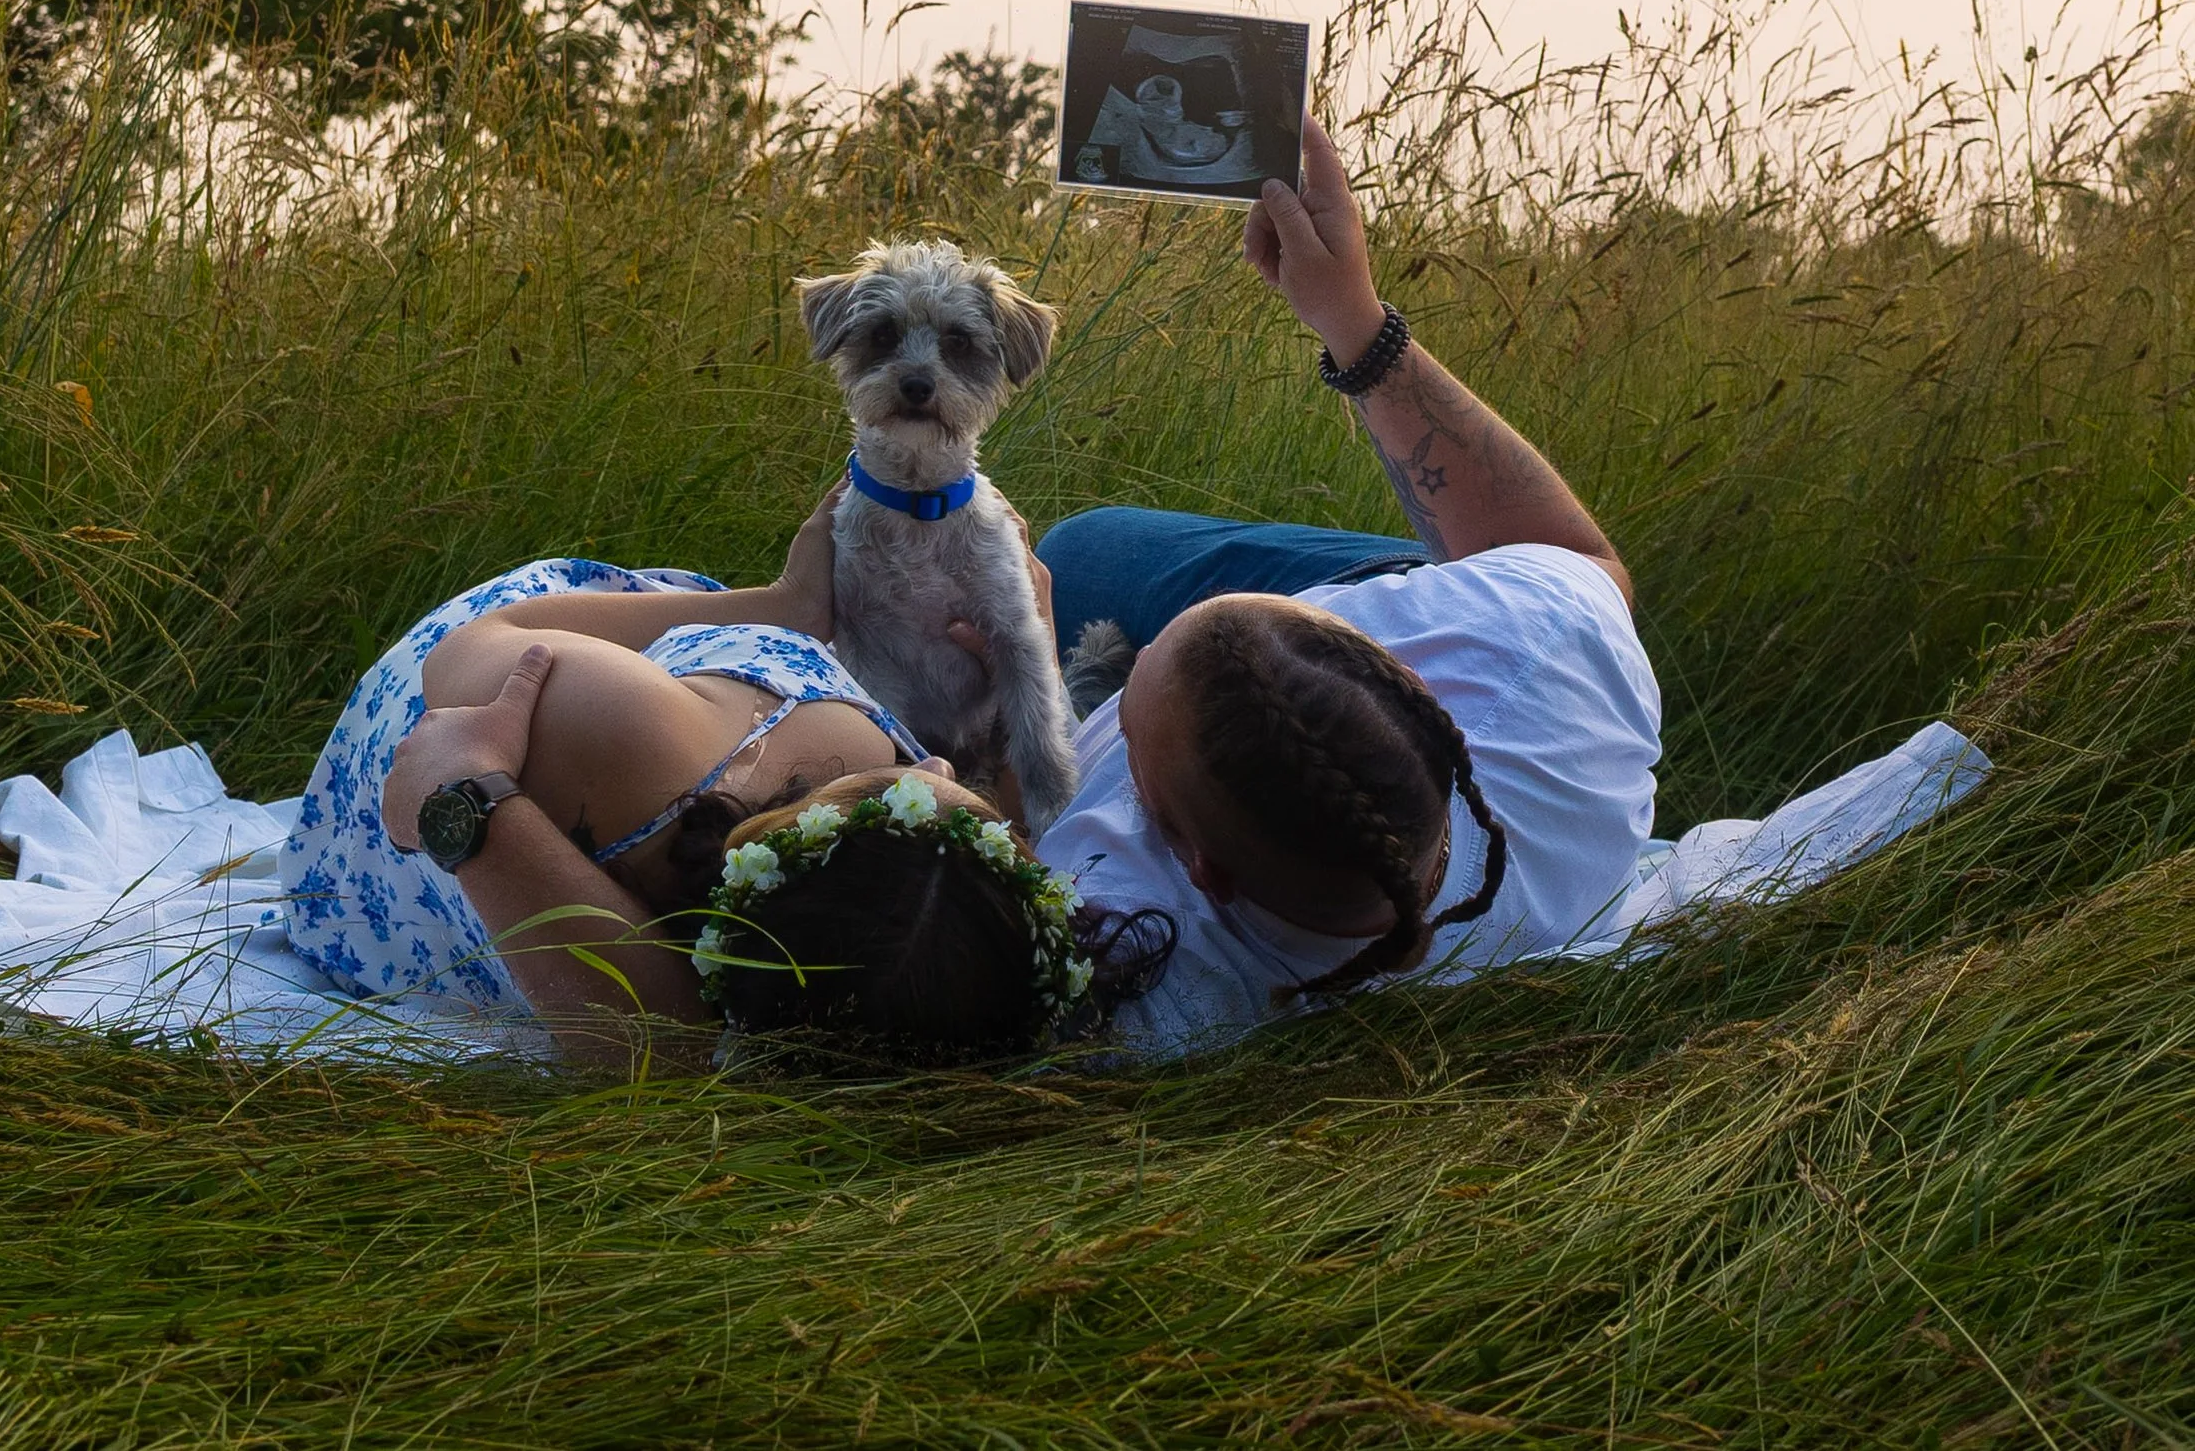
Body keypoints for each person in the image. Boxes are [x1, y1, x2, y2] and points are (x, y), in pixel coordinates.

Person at [1031, 114, 1662, 1053]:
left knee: (1079, 555)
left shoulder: (1111, 924)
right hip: (1499, 664)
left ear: (1200, 869)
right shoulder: (1543, 661)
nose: (1144, 653)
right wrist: (1355, 322)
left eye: (1123, 721)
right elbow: (1581, 566)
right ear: (1407, 673)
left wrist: (1009, 741)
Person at [282, 508, 1166, 1063]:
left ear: (803, 858)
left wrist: (783, 605)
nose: (932, 765)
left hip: (427, 746)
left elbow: (470, 648)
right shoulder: (787, 1003)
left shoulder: (628, 738)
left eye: (898, 793)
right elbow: (969, 890)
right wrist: (1026, 664)